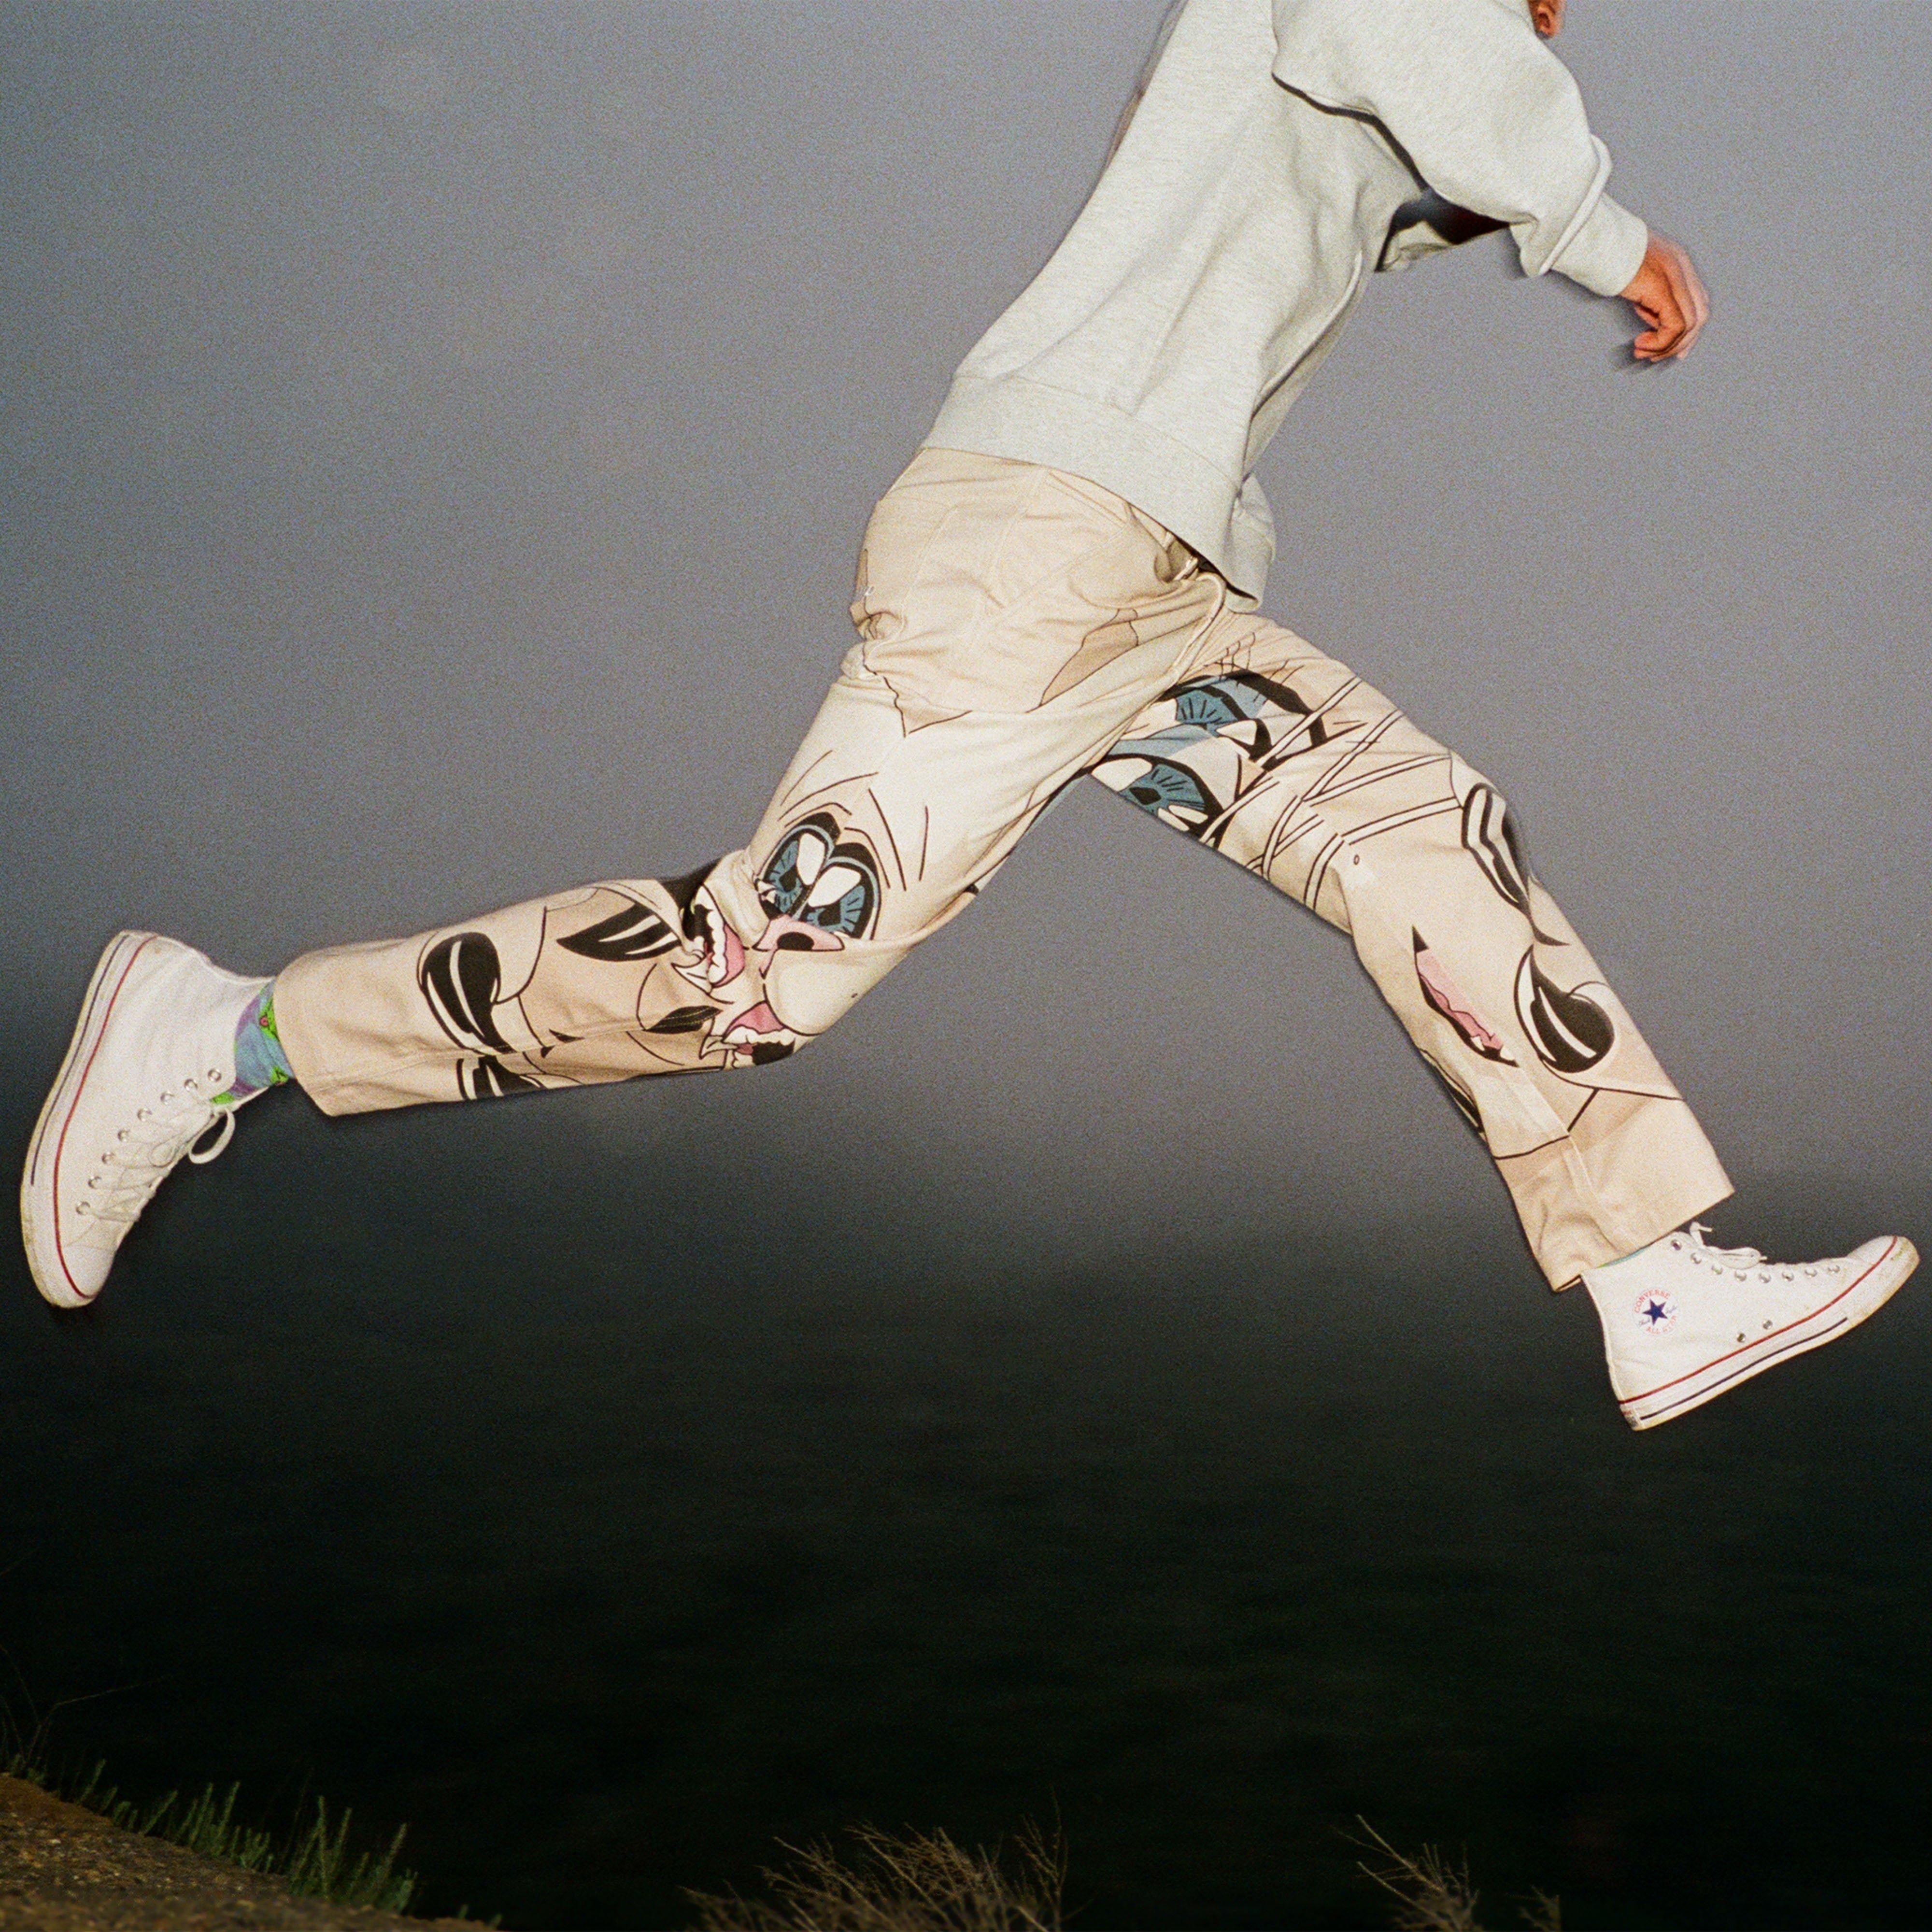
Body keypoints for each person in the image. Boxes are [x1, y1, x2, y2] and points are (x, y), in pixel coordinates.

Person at [21, 0, 1915, 1428]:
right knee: (751, 981)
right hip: (1037, 548)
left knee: (1418, 830)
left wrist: (1500, 187)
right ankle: (231, 1032)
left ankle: (1648, 1275)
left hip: (1153, 593)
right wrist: (1599, 225)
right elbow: (1417, 49)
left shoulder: (1368, 71)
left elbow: (1398, 136)